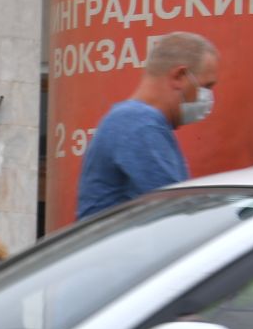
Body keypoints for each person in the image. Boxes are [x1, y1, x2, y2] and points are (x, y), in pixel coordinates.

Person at [75, 31, 220, 220]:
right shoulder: (140, 124)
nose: (208, 97)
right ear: (179, 76)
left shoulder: (132, 120)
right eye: (206, 86)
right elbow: (177, 215)